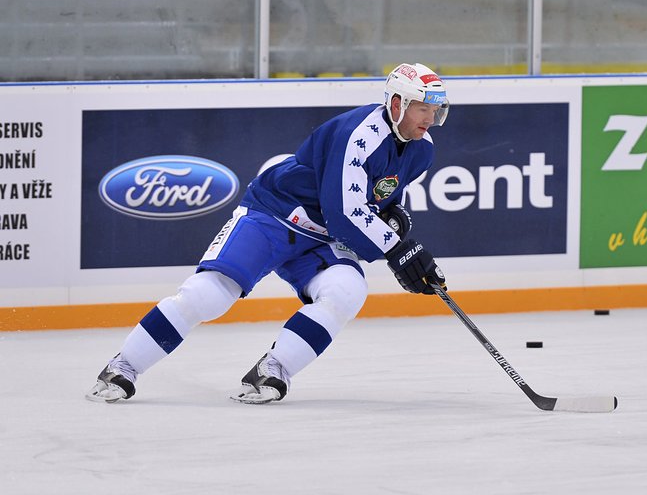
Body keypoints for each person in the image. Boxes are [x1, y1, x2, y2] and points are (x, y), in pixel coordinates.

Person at [87, 62, 450, 403]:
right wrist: (399, 248)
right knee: (209, 295)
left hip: (320, 238)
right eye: (423, 109)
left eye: (436, 111)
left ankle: (273, 370)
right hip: (273, 215)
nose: (431, 119)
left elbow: (378, 196)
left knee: (347, 291)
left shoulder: (422, 149)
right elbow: (344, 214)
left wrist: (394, 221)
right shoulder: (357, 134)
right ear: (398, 103)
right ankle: (123, 368)